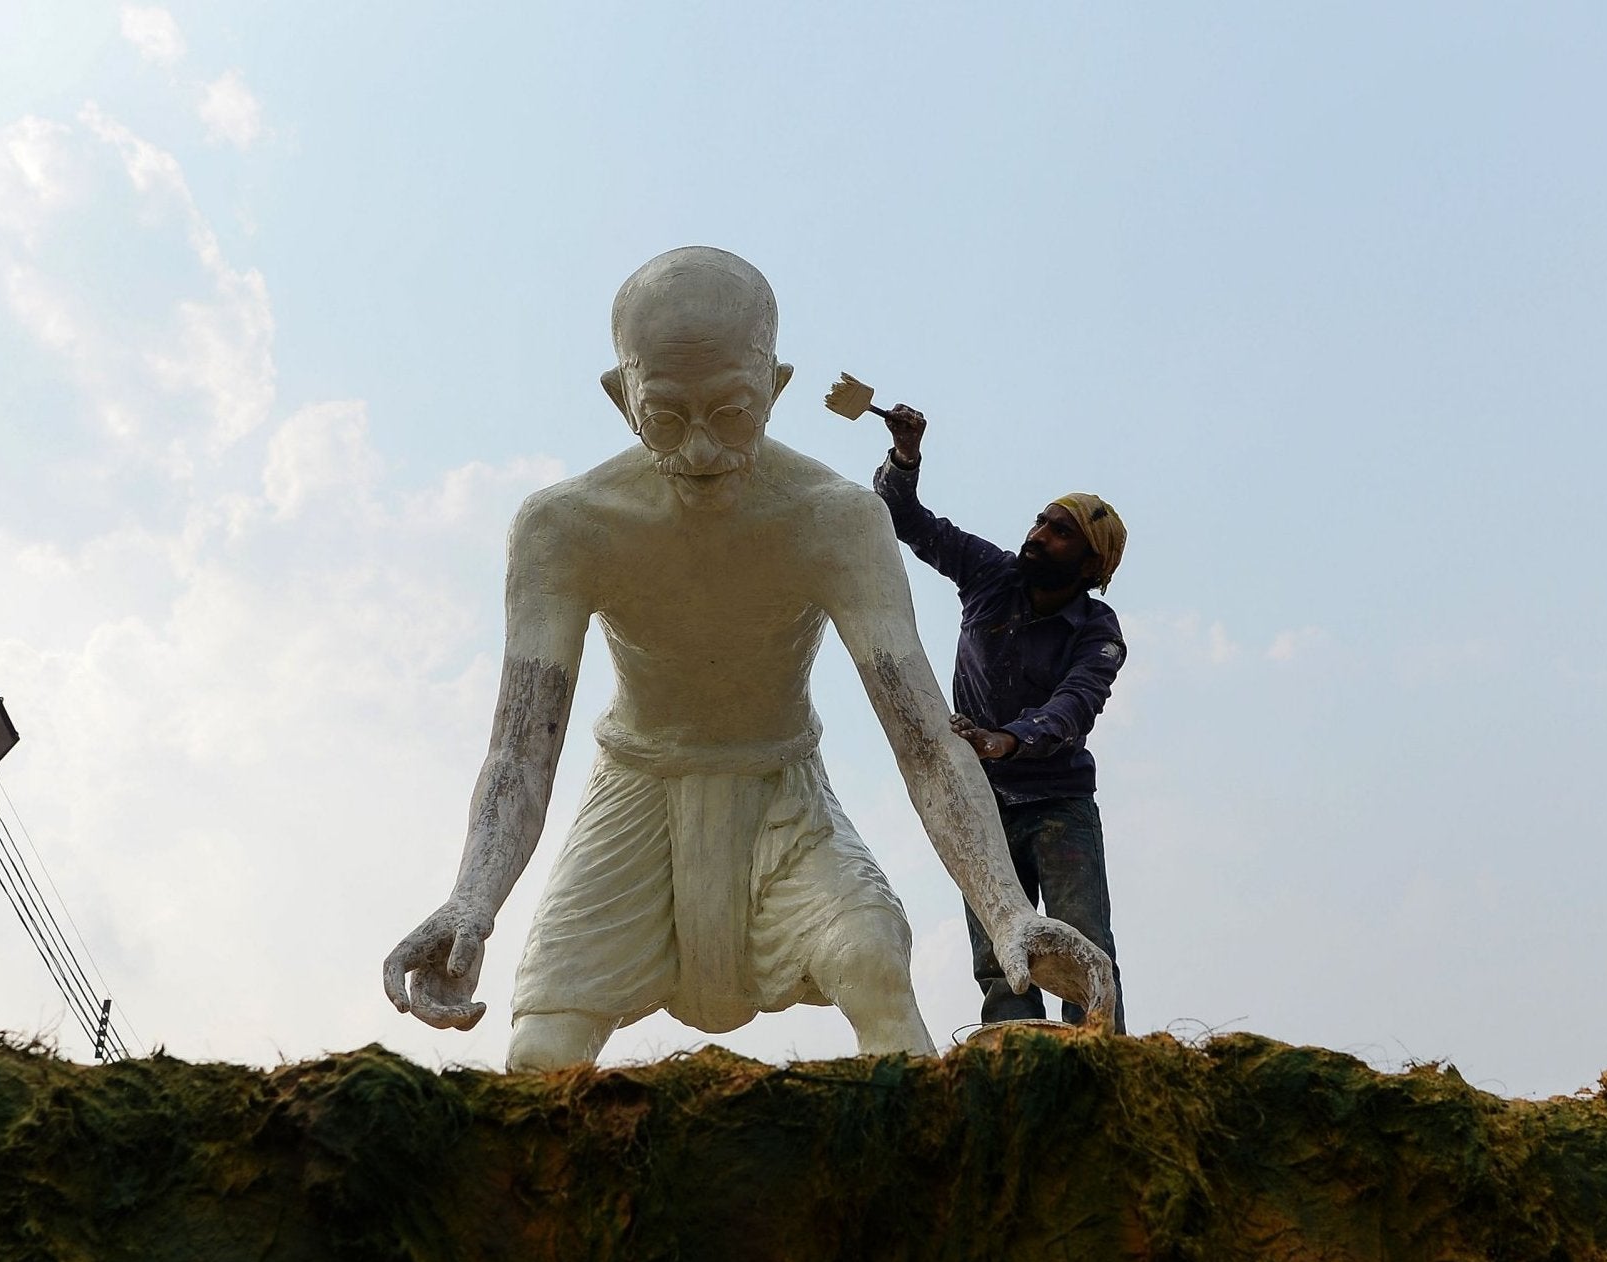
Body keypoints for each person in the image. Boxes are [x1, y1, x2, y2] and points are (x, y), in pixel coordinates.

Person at [381, 248, 1116, 1070]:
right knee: (543, 1049)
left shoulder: (834, 521)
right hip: (634, 796)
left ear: (775, 385)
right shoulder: (566, 527)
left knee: (872, 962)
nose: (699, 451)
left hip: (783, 802)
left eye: (731, 412)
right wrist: (470, 903)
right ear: (621, 396)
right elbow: (520, 747)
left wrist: (1008, 910)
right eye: (664, 417)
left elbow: (922, 738)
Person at [872, 402, 1129, 1032]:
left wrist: (1007, 740)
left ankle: (1104, 1068)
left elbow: (1074, 707)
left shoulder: (1098, 631)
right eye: (1041, 521)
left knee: (1083, 947)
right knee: (998, 956)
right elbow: (903, 519)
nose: (1039, 534)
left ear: (1092, 564)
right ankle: (1013, 1068)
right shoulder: (993, 576)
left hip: (1056, 804)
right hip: (979, 803)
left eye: (1061, 531)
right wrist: (905, 456)